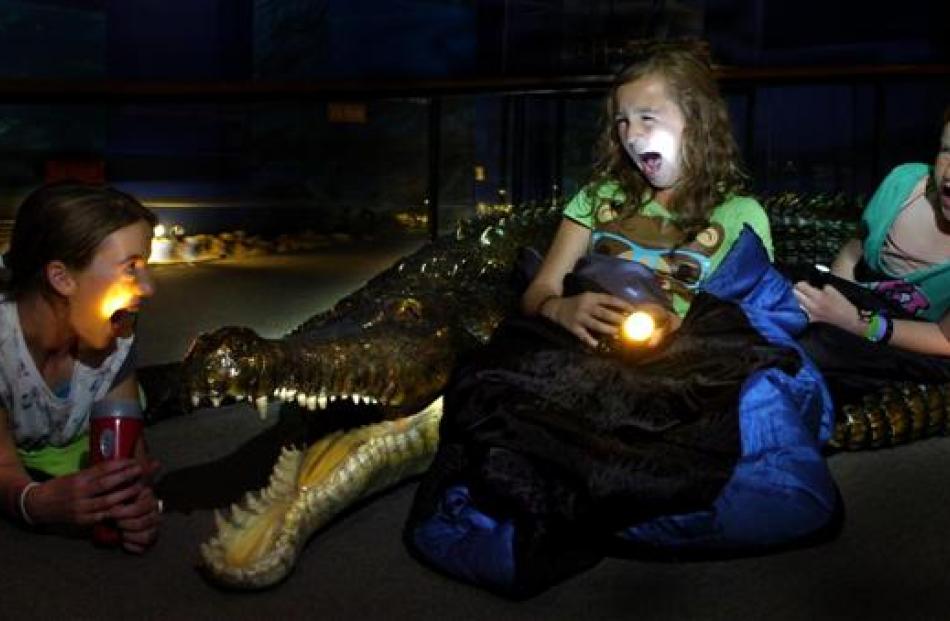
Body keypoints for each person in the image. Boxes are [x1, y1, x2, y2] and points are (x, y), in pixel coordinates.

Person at [405, 46, 837, 598]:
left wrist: (681, 325)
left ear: (696, 122)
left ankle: (602, 504)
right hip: (586, 347)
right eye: (623, 121)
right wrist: (561, 307)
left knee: (762, 425)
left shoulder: (739, 214)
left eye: (648, 118)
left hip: (684, 359)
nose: (633, 136)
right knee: (493, 387)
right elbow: (540, 289)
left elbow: (747, 311)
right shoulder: (597, 199)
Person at [0, 182, 162, 553]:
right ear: (62, 277)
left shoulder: (118, 329)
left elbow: (127, 443)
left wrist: (135, 503)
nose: (149, 288)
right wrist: (35, 503)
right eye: (131, 267)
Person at [794, 107, 950, 400]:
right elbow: (853, 255)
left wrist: (855, 322)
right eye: (947, 150)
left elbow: (945, 339)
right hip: (852, 308)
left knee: (806, 352)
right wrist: (831, 302)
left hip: (909, 346)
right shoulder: (905, 184)